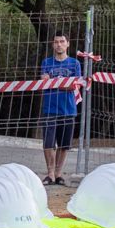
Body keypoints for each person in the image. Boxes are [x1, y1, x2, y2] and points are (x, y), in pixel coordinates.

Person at [39, 31, 80, 185]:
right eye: (56, 42)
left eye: (62, 41)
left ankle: (58, 173)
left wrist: (53, 81)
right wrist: (62, 82)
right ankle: (50, 173)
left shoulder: (74, 63)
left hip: (68, 109)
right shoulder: (46, 62)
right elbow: (44, 83)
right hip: (49, 108)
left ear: (67, 44)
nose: (59, 44)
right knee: (48, 143)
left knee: (64, 144)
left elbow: (73, 86)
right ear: (52, 45)